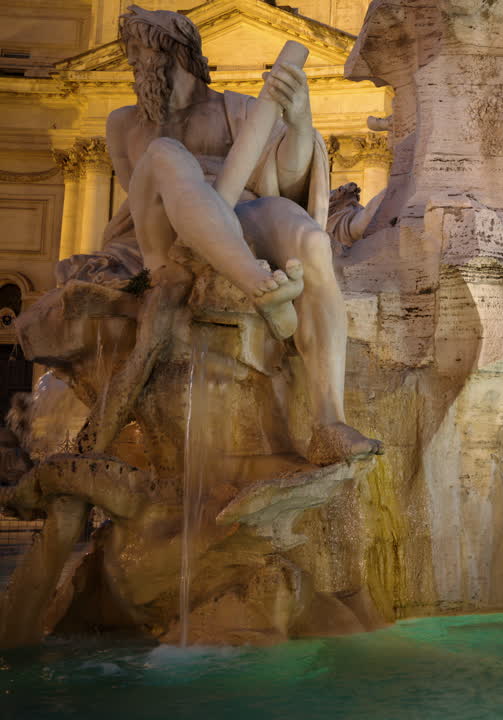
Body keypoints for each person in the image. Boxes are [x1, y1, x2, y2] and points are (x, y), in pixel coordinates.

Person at [98, 6, 379, 465]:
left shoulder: (242, 111)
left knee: (313, 243)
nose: (132, 67)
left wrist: (300, 120)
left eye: (139, 55)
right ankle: (259, 284)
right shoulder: (125, 123)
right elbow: (139, 200)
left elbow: (290, 179)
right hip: (165, 232)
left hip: (236, 214)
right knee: (166, 154)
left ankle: (330, 423)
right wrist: (202, 188)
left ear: (175, 53)